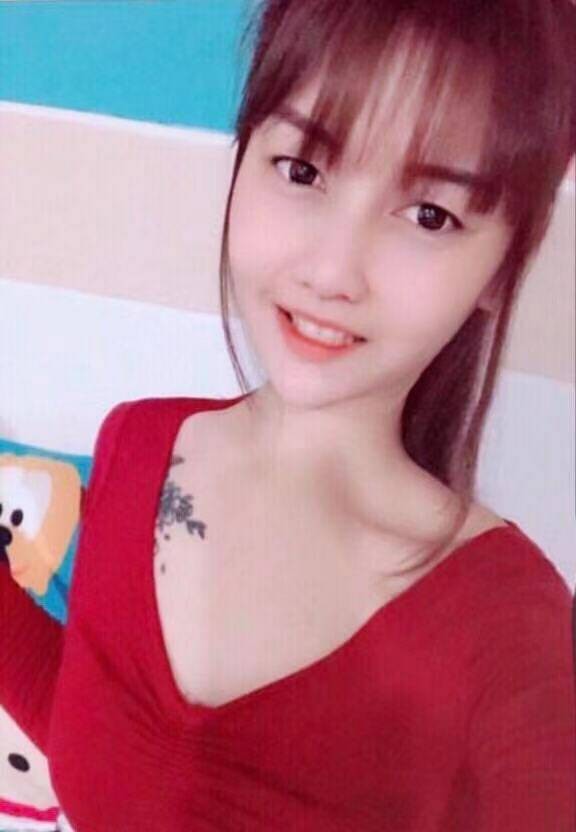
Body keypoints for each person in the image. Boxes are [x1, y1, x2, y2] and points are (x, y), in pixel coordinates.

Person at [1, 1, 575, 829]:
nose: (333, 271)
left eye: (430, 215)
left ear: (502, 268)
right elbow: (107, 749)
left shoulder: (508, 627)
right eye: (303, 169)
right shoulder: (139, 443)